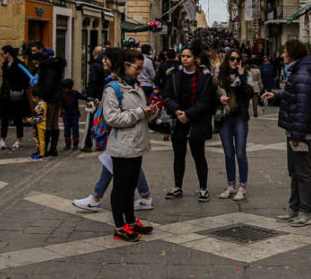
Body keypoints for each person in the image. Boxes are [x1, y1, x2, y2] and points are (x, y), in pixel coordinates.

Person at [73, 47, 154, 212]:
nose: (103, 61)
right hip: (123, 136)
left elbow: (117, 115)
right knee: (117, 164)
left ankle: (98, 198)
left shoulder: (123, 84)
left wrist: (146, 112)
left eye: (106, 58)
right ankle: (143, 197)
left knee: (116, 166)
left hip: (122, 134)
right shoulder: (116, 83)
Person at [260, 39, 311, 227]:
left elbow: (303, 108)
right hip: (295, 131)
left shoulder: (302, 74)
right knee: (294, 171)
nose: (282, 55)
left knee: (303, 172)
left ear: (292, 53)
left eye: (284, 51)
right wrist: (276, 95)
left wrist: (297, 136)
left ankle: (306, 212)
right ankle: (294, 209)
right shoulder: (297, 72)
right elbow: (294, 95)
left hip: (300, 133)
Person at [102, 48, 159, 242]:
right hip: (122, 146)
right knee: (121, 187)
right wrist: (140, 112)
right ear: (126, 66)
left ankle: (131, 221)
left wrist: (152, 110)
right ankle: (119, 226)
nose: (140, 72)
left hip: (137, 143)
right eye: (137, 68)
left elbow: (143, 113)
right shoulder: (112, 89)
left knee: (131, 185)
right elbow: (112, 118)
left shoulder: (137, 86)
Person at [162, 44, 216, 202]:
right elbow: (167, 96)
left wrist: (189, 114)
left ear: (195, 59)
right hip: (178, 120)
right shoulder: (174, 75)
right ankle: (177, 186)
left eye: (188, 56)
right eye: (183, 56)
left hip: (197, 120)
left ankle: (203, 188)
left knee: (199, 155)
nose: (185, 59)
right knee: (179, 156)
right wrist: (177, 110)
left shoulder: (204, 77)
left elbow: (206, 100)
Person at [214, 49, 254, 201]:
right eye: (232, 58)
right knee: (228, 154)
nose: (235, 61)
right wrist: (219, 100)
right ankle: (231, 185)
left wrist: (242, 76)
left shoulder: (246, 75)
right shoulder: (220, 75)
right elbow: (212, 94)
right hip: (224, 117)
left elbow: (249, 94)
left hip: (239, 117)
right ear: (227, 60)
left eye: (238, 59)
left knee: (241, 153)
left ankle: (242, 186)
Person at [0, 46, 31, 150]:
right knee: (4, 118)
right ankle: (2, 140)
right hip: (6, 94)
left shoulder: (19, 64)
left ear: (8, 53)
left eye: (3, 54)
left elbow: (27, 78)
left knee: (18, 118)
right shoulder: (4, 65)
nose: (2, 56)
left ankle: (18, 140)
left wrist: (20, 89)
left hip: (17, 95)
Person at [37, 47, 67, 156]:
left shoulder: (48, 66)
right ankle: (53, 148)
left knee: (48, 123)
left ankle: (46, 148)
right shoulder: (57, 64)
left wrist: (41, 94)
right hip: (58, 96)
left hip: (51, 97)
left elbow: (49, 83)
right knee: (54, 123)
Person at [60, 79, 87, 151]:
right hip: (74, 114)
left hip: (65, 114)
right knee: (75, 129)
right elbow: (83, 96)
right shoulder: (75, 93)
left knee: (67, 129)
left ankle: (68, 144)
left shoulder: (62, 93)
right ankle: (75, 144)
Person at [27, 87, 47, 160]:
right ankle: (39, 152)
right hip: (43, 125)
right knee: (40, 139)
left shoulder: (39, 107)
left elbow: (40, 117)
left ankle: (40, 153)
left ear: (37, 97)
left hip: (40, 126)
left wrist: (31, 120)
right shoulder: (45, 104)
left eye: (33, 97)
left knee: (39, 140)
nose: (32, 99)